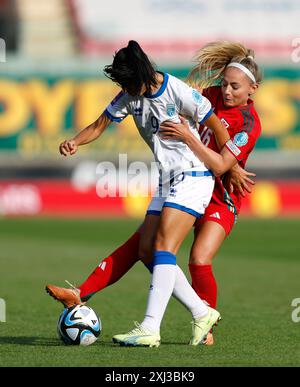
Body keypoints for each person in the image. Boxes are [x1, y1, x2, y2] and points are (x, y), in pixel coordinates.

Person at [46, 40, 262, 347]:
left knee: (173, 251)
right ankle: (202, 312)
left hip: (196, 176)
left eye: (234, 86)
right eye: (224, 85)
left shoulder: (176, 91)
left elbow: (215, 124)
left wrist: (232, 164)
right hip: (168, 178)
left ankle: (151, 327)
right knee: (146, 250)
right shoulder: (129, 95)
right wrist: (74, 141)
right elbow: (99, 124)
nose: (226, 91)